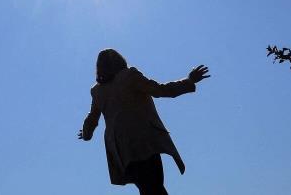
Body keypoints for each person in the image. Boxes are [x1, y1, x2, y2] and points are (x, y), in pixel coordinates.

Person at [79, 49, 210, 195]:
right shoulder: (129, 76)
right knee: (154, 187)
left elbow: (92, 118)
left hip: (122, 149)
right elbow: (160, 90)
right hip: (143, 142)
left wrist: (86, 134)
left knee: (148, 188)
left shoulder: (98, 91)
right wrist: (189, 80)